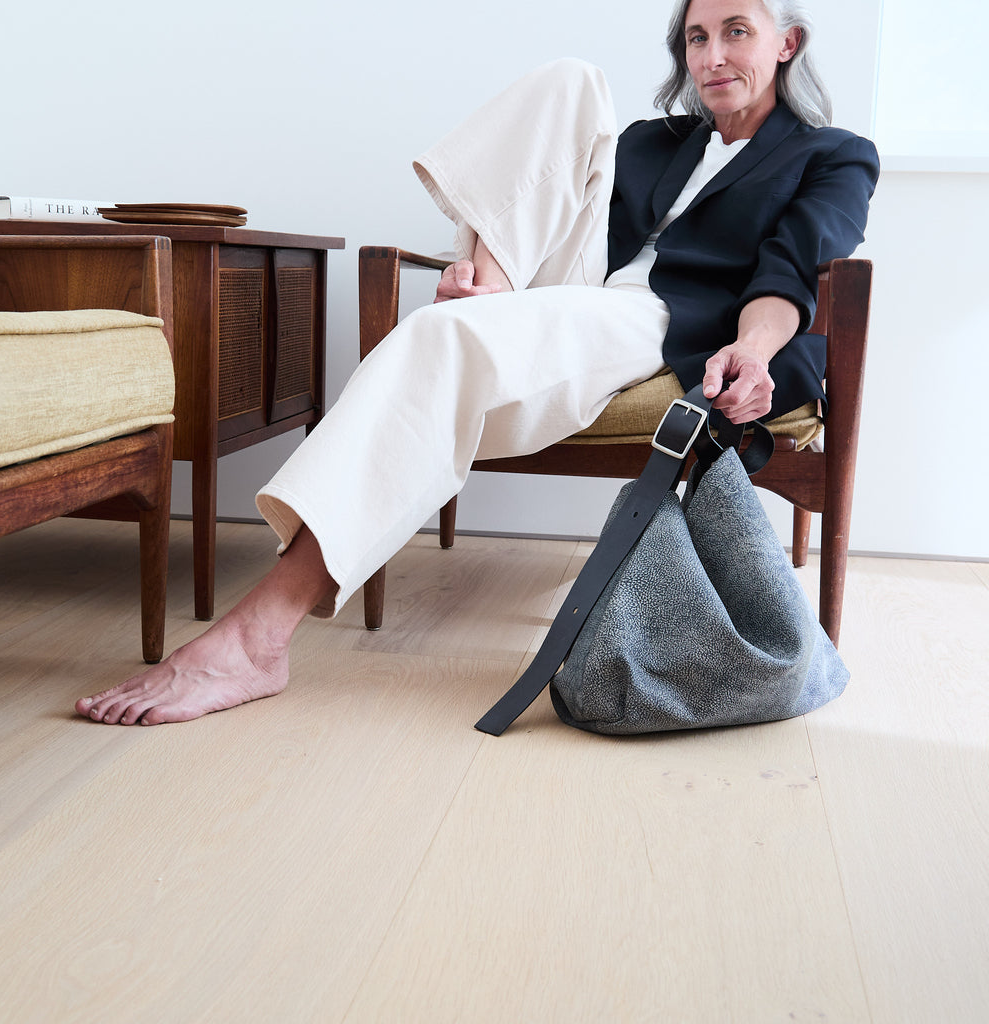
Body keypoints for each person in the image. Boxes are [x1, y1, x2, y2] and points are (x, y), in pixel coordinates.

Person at [76, 0, 879, 726]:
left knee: (432, 340)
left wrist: (756, 346)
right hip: (578, 279)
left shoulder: (832, 155)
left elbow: (794, 264)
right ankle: (485, 291)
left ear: (787, 44)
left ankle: (260, 632)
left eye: (736, 32)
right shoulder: (651, 142)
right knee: (571, 80)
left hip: (667, 316)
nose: (711, 56)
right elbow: (543, 200)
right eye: (697, 38)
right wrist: (488, 267)